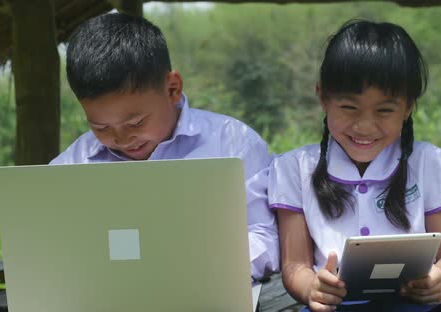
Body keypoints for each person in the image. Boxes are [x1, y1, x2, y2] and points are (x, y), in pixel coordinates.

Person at [50, 12, 279, 281]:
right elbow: (55, 247)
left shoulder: (234, 144)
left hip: (209, 289)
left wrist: (207, 271)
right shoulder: (69, 169)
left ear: (173, 89)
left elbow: (265, 235)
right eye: (102, 128)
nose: (123, 140)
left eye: (136, 123)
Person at [268, 20, 441, 312]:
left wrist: (440, 277)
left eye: (384, 110)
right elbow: (294, 265)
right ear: (323, 97)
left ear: (409, 106)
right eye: (349, 108)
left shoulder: (432, 164)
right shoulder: (293, 169)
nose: (364, 126)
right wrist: (311, 287)